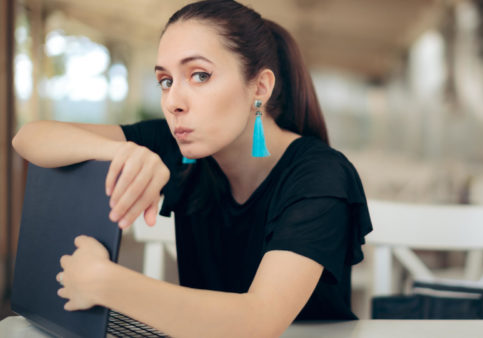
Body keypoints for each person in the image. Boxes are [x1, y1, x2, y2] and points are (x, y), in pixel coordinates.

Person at [12, 0, 372, 336]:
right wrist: (121, 153)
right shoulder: (180, 147)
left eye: (199, 75)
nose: (173, 102)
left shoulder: (320, 174)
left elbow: (260, 321)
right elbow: (29, 138)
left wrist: (105, 283)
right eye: (166, 81)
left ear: (259, 87)